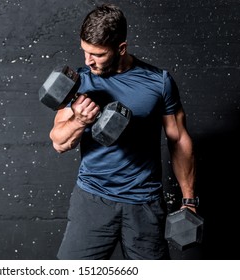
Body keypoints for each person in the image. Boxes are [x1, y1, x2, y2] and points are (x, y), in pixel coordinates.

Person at [49, 4, 197, 260]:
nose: (88, 61)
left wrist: (189, 199)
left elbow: (178, 139)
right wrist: (79, 121)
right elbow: (59, 142)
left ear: (121, 48)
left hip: (145, 204)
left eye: (97, 54)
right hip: (92, 199)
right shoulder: (79, 82)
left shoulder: (158, 82)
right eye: (84, 52)